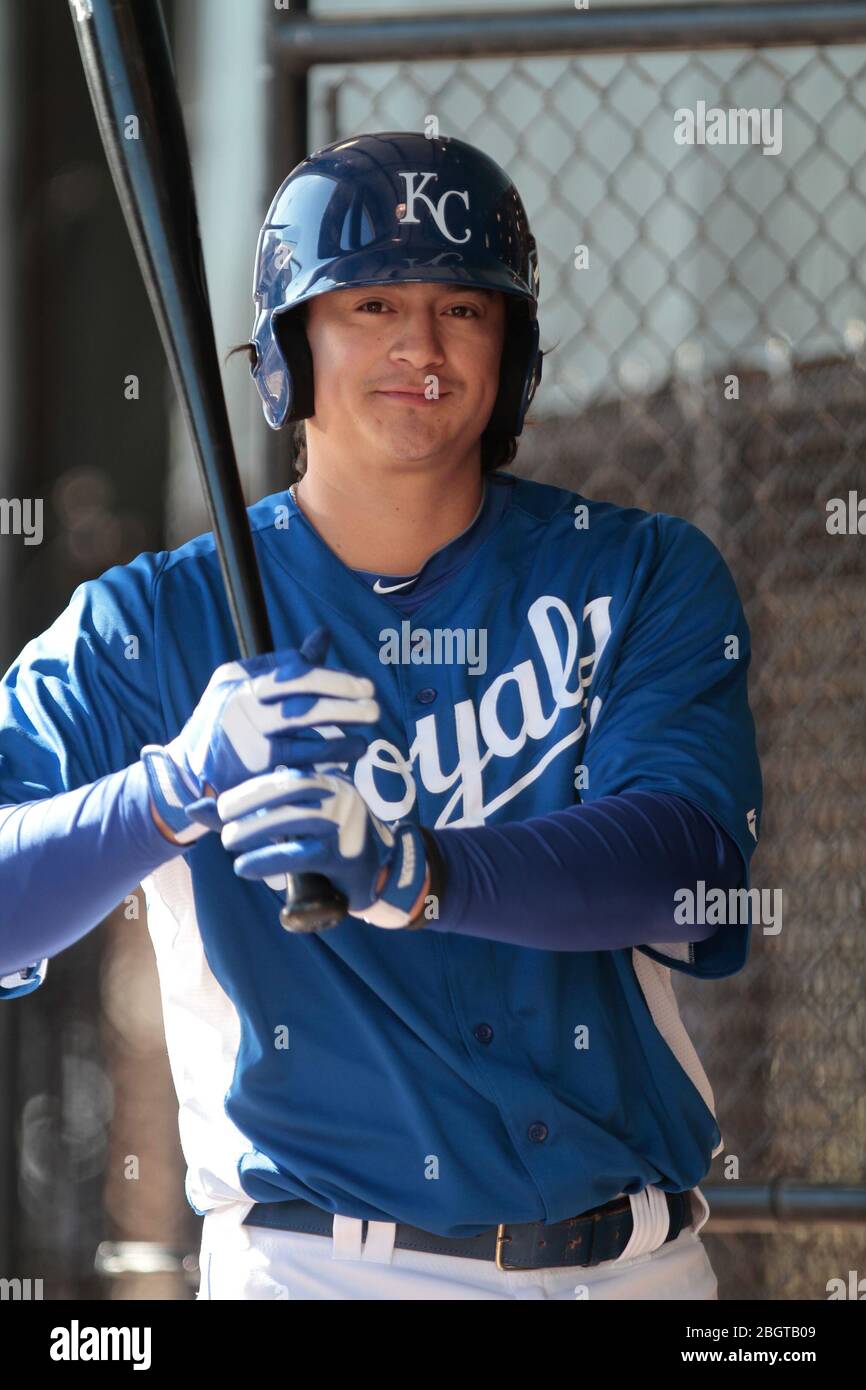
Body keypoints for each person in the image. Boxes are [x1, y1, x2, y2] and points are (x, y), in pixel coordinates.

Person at [0, 132, 762, 1300]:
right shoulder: (149, 624)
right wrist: (166, 791)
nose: (419, 344)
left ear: (512, 352)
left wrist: (416, 871)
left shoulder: (635, 572)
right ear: (289, 353)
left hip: (634, 1265)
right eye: (369, 303)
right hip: (322, 1269)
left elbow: (685, 864)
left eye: (463, 305)